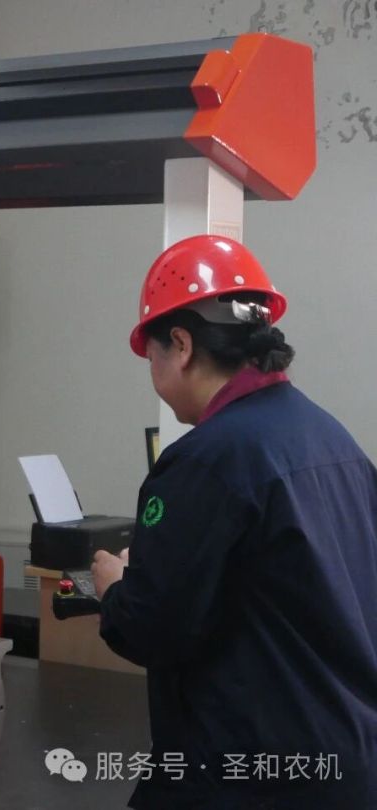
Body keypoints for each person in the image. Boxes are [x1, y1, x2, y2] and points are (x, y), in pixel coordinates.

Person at [91, 234, 377, 809]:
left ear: (180, 344)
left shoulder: (207, 462)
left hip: (249, 776)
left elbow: (153, 628)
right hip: (348, 762)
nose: (153, 372)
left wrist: (115, 589)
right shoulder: (334, 440)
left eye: (152, 356)